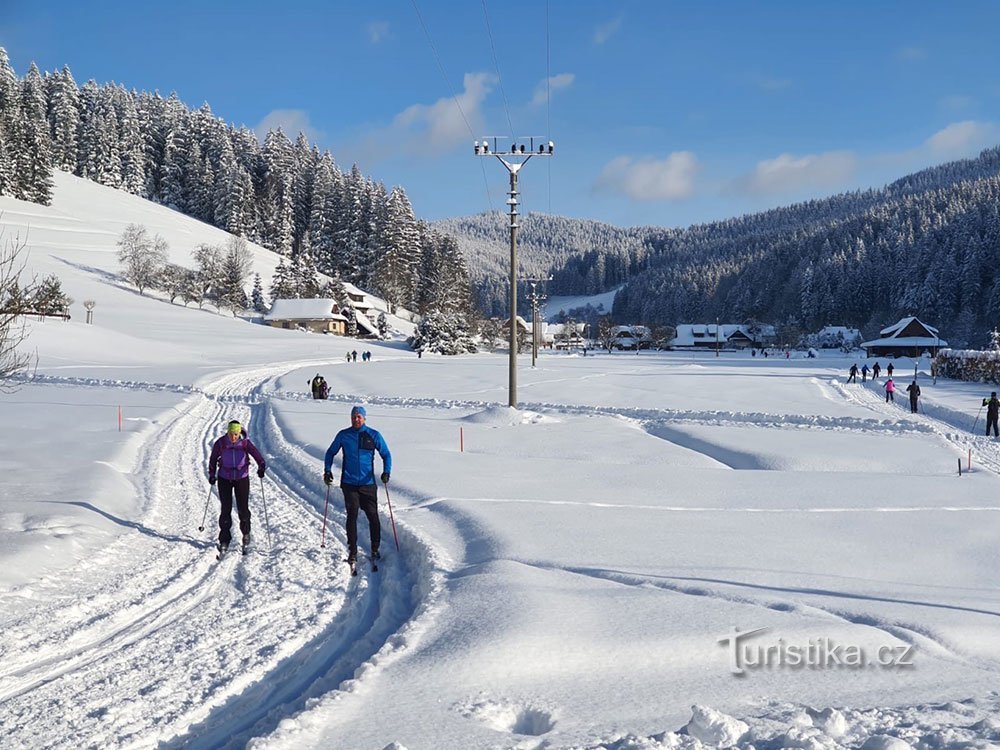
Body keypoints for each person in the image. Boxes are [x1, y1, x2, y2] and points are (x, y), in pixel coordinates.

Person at [324, 406, 392, 566]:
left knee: (373, 516)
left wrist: (386, 472)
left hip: (368, 484)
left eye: (359, 417)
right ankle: (352, 551)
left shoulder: (373, 435)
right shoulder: (344, 435)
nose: (356, 419)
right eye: (354, 417)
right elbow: (330, 453)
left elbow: (386, 454)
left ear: (364, 418)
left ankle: (375, 548)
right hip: (349, 483)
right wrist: (327, 470)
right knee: (352, 515)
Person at [208, 420, 266, 554]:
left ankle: (246, 534)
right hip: (224, 478)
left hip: (241, 478)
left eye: (235, 434)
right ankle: (224, 539)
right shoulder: (221, 443)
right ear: (227, 432)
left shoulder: (245, 443)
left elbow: (258, 456)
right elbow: (212, 459)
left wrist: (261, 467)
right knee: (226, 509)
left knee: (243, 509)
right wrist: (212, 474)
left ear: (239, 432)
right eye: (231, 433)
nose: (233, 437)